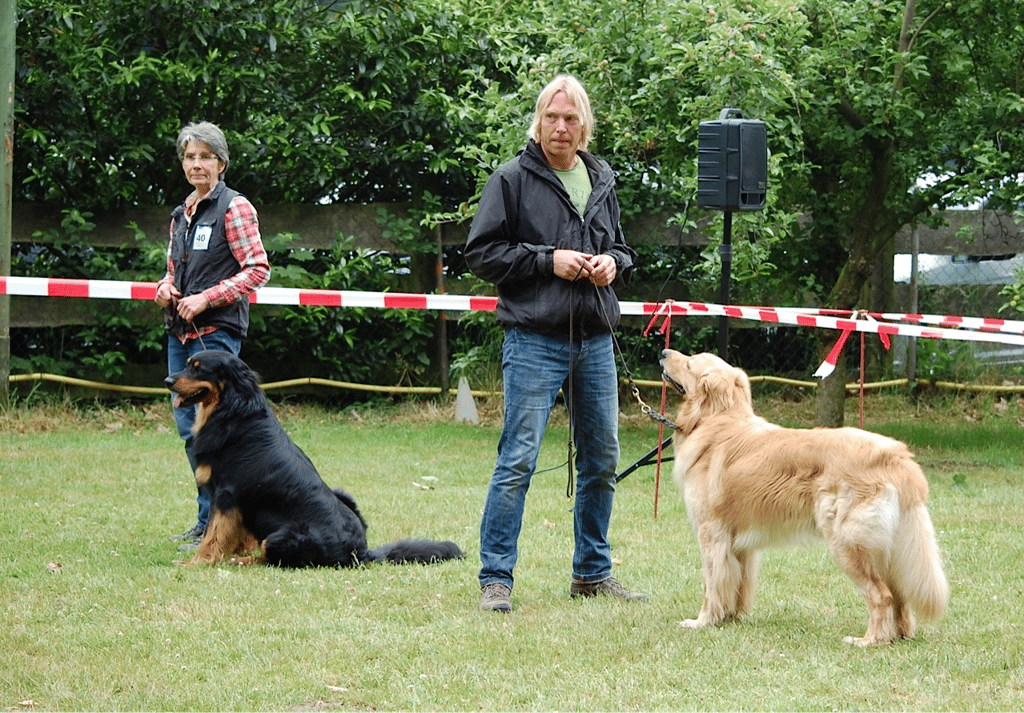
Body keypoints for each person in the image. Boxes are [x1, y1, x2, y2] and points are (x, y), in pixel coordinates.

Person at [465, 74, 645, 612]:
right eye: (551, 117)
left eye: (569, 118)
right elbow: (481, 254)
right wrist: (548, 260)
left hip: (594, 341)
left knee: (602, 458)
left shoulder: (602, 179)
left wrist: (615, 263)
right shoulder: (511, 180)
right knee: (517, 459)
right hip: (533, 340)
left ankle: (592, 573)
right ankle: (496, 578)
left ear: (584, 125)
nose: (560, 127)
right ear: (538, 122)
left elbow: (624, 249)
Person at [155, 121, 271, 551]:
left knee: (221, 435)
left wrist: (206, 298)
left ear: (221, 163)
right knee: (191, 432)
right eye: (190, 157)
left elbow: (258, 269)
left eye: (205, 156)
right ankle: (207, 521)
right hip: (178, 334)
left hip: (216, 335)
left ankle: (219, 530)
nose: (197, 164)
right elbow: (172, 272)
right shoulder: (181, 212)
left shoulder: (235, 208)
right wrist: (164, 289)